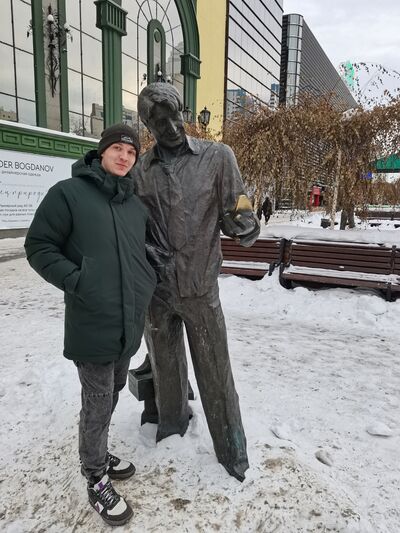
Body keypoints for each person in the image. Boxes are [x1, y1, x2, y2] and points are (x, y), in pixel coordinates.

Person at [24, 124, 157, 527]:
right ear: (101, 152)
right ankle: (96, 476)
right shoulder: (68, 194)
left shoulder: (134, 206)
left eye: (131, 153)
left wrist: (147, 281)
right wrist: (79, 280)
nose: (124, 157)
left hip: (127, 323)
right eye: (117, 149)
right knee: (98, 401)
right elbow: (38, 245)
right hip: (92, 321)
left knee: (111, 394)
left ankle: (95, 453)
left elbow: (141, 254)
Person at [133, 83, 260, 482]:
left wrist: (245, 224)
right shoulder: (139, 171)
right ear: (148, 126)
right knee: (166, 368)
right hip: (157, 292)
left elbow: (238, 205)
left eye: (174, 116)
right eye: (159, 122)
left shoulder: (218, 157)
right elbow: (131, 226)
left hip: (200, 287)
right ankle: (171, 432)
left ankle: (232, 451)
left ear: (183, 112)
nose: (171, 127)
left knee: (216, 373)